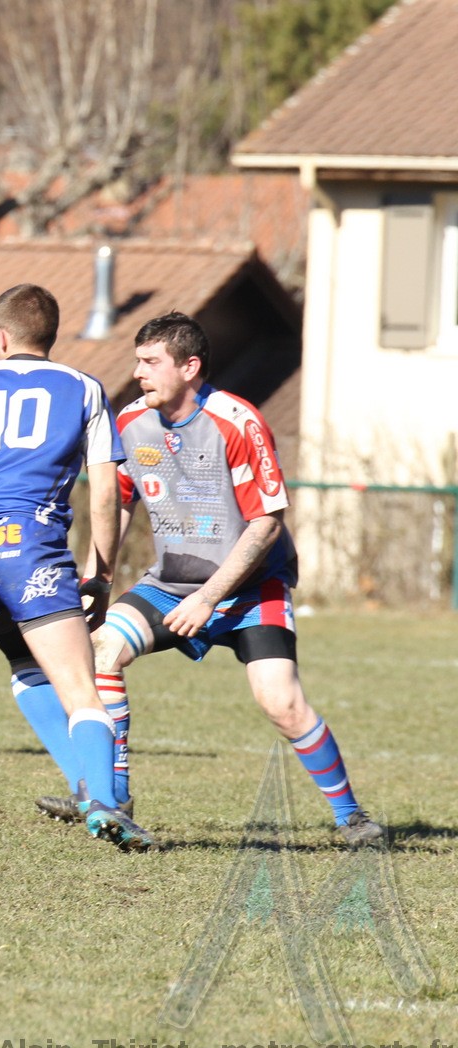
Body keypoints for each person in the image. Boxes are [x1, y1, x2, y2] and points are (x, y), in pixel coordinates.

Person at [37, 312, 385, 848]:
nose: (139, 372)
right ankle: (114, 799)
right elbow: (119, 503)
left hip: (251, 589)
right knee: (101, 652)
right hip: (170, 583)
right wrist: (98, 578)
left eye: (151, 362)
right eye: (137, 361)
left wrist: (209, 597)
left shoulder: (238, 421)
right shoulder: (131, 422)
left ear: (190, 366)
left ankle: (352, 818)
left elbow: (267, 523)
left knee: (281, 703)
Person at [0, 283, 155, 851]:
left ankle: (84, 788)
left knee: (25, 663)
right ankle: (105, 803)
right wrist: (100, 573)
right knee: (82, 689)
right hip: (29, 551)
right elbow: (104, 492)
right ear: (53, 336)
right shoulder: (83, 388)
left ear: (0, 336)